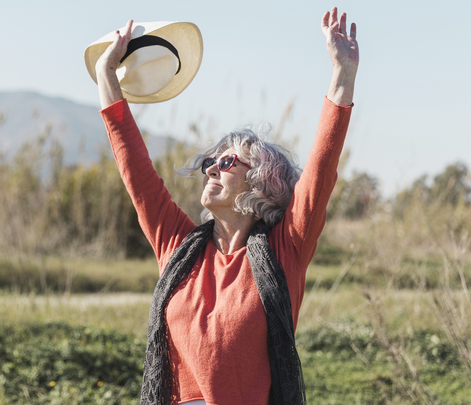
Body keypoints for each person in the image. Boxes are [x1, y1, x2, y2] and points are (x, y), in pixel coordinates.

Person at [95, 7, 358, 405]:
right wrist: (107, 79)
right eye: (210, 163)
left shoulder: (285, 249)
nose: (212, 169)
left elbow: (320, 173)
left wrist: (343, 75)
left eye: (228, 161)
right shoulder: (179, 246)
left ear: (262, 182)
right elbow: (137, 174)